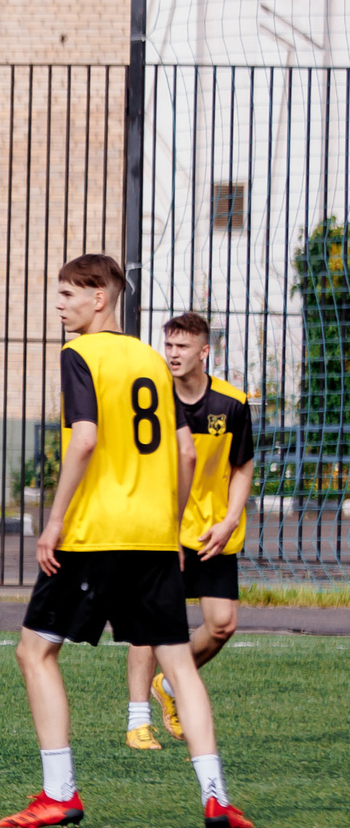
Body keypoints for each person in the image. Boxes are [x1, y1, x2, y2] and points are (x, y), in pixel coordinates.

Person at [3, 256, 251, 828]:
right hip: (155, 539)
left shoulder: (79, 355)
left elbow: (84, 440)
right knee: (179, 664)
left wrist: (54, 520)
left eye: (69, 294)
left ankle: (59, 793)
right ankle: (216, 797)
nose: (60, 304)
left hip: (96, 535)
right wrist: (170, 523)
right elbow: (186, 454)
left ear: (100, 299)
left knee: (35, 651)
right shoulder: (148, 357)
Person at [121, 311, 254, 750]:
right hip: (159, 528)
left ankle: (172, 687)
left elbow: (242, 466)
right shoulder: (151, 400)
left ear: (204, 351)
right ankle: (138, 720)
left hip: (211, 531)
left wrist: (231, 518)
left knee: (222, 625)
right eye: (169, 345)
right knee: (148, 625)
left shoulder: (232, 403)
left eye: (182, 346)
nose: (173, 354)